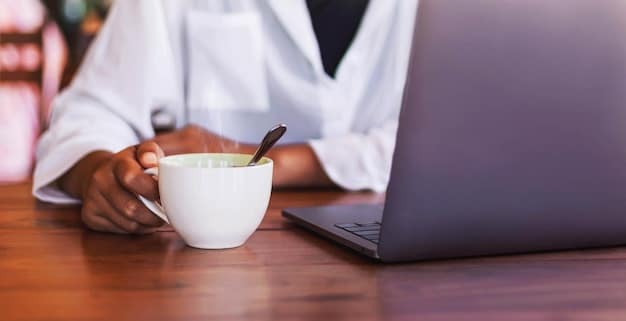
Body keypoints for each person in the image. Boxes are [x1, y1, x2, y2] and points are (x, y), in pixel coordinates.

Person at [33, 0, 417, 234]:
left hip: (397, 246)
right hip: (208, 273)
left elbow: (459, 140)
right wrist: (99, 174)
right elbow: (89, 114)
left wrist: (261, 160)